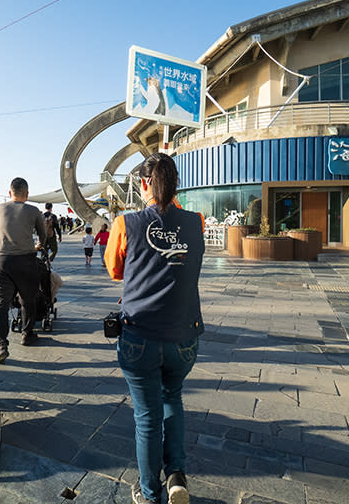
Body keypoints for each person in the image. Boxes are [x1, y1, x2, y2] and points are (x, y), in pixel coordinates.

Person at [105, 153, 205, 504]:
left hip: (139, 336)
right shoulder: (197, 222)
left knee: (147, 416)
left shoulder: (125, 223)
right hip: (184, 337)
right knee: (172, 398)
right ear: (175, 182)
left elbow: (116, 271)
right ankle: (176, 475)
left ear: (144, 183)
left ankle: (149, 494)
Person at [0, 177, 46, 362]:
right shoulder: (34, 210)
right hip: (26, 260)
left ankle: (0, 344)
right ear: (27, 194)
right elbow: (43, 235)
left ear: (10, 192)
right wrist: (38, 245)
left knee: (1, 303)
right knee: (28, 300)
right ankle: (27, 334)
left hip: (2, 261)